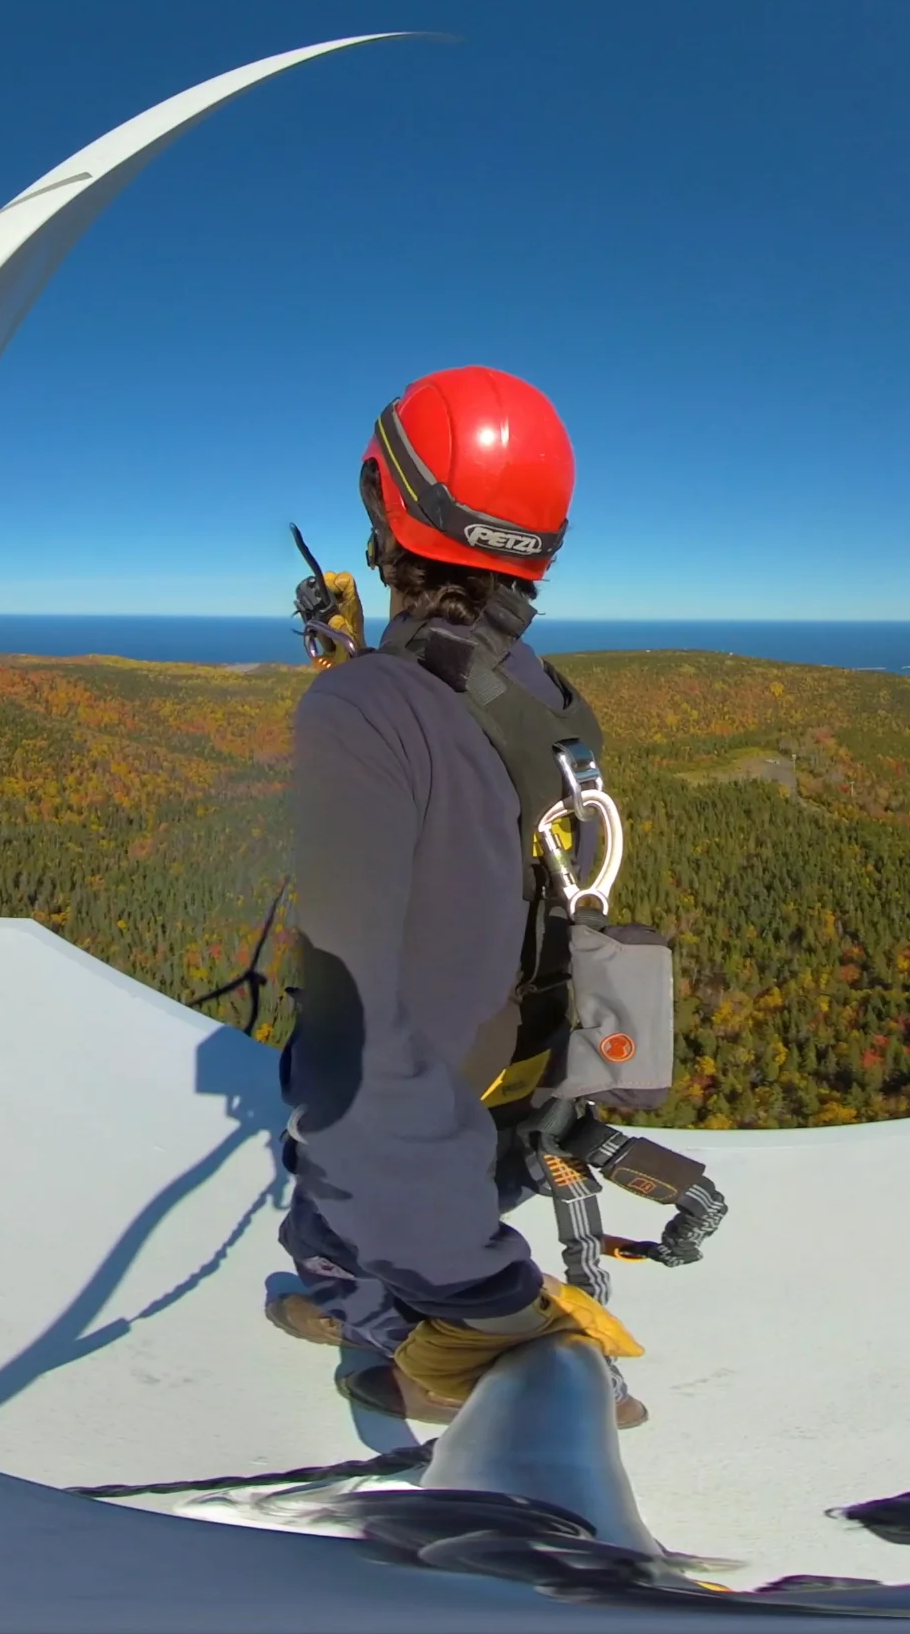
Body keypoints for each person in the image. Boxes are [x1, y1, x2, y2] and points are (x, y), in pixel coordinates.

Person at [268, 365, 644, 1424]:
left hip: (425, 1111)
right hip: (518, 1070)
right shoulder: (546, 700)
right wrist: (358, 660)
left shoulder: (365, 710)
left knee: (326, 1191)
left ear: (389, 502)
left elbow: (348, 1069)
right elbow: (451, 763)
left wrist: (484, 1298)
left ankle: (379, 1340)